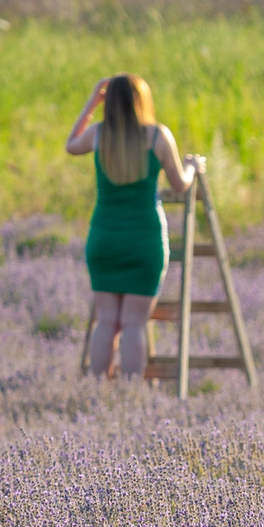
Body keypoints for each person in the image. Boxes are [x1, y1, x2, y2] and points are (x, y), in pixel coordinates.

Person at [64, 74, 203, 380]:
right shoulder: (156, 136)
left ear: (108, 103)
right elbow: (180, 185)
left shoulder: (100, 134)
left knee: (106, 321)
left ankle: (96, 388)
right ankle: (130, 393)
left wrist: (91, 103)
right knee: (133, 323)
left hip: (105, 238)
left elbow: (71, 145)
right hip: (143, 240)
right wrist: (193, 167)